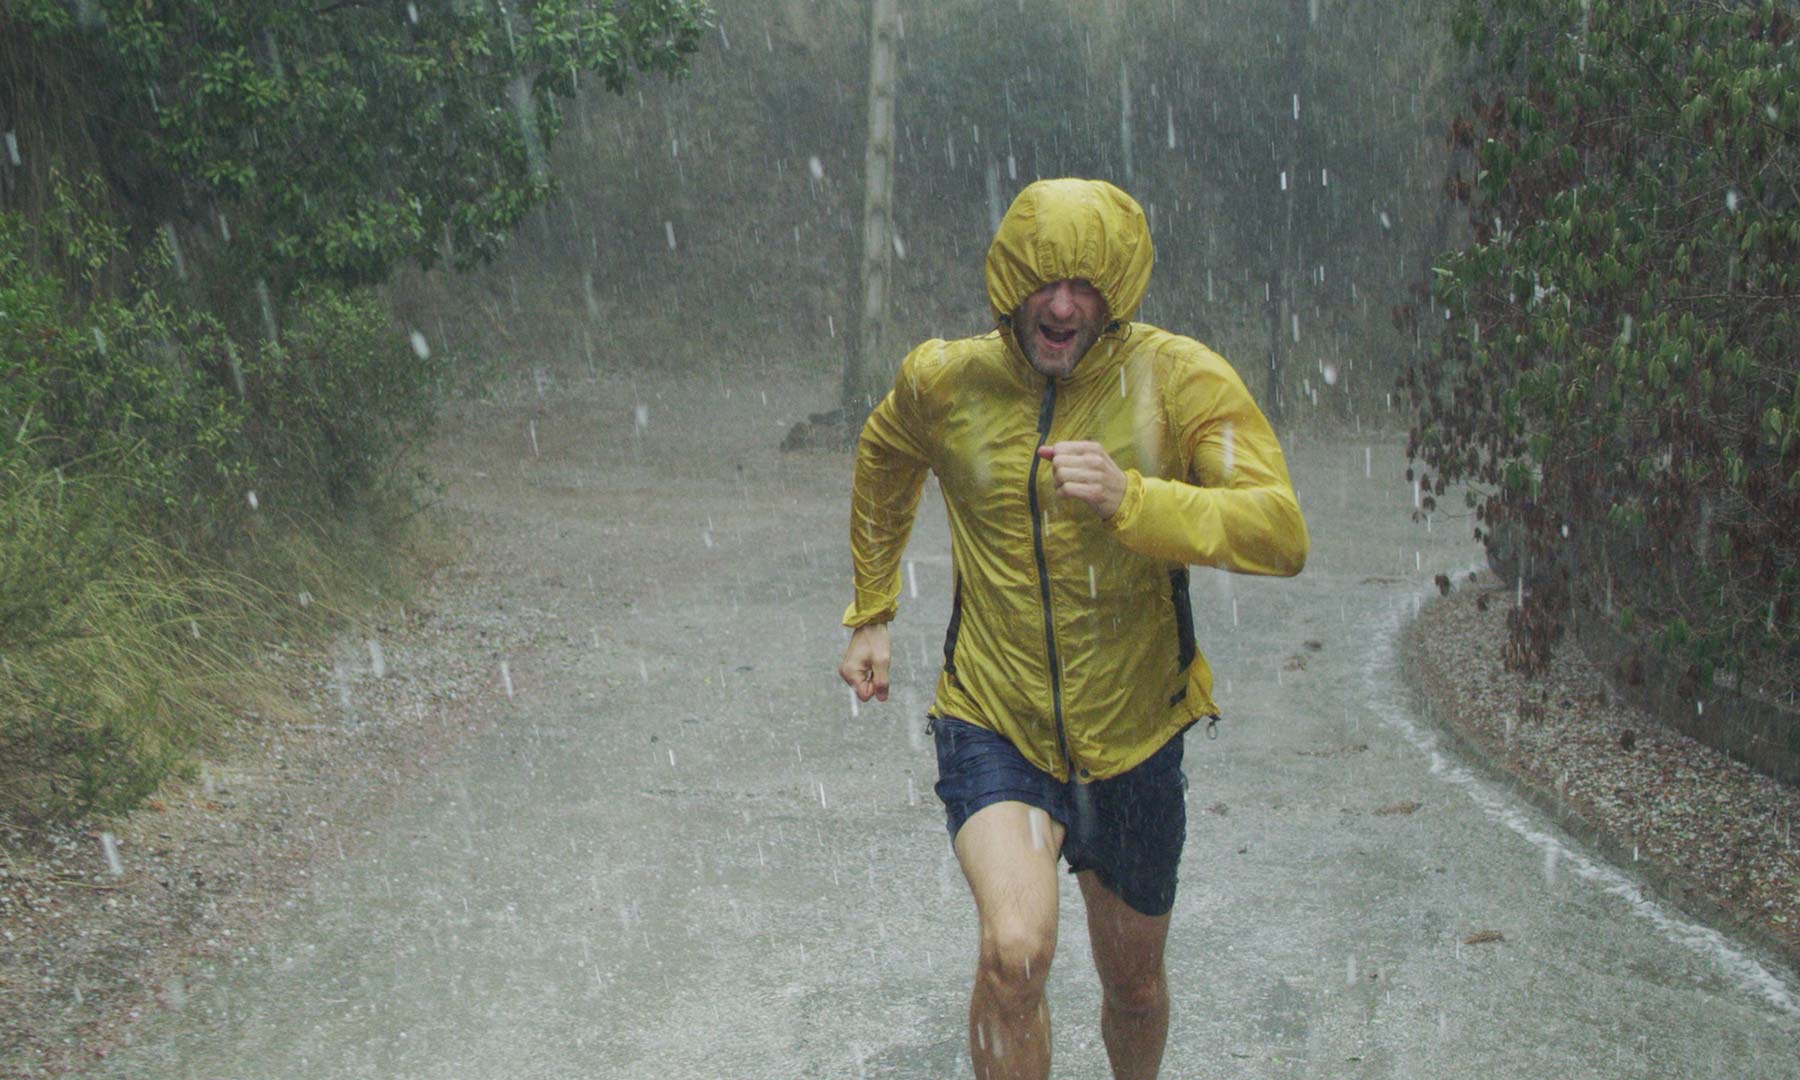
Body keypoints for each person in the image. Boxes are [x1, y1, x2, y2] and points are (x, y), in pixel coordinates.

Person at [836, 177, 1308, 1080]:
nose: (1062, 304)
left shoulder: (1175, 380)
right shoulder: (946, 380)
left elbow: (1280, 530)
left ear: (1119, 293)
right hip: (994, 717)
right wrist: (872, 610)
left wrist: (1135, 499)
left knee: (1133, 988)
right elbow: (884, 455)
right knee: (1014, 954)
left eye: (1086, 285)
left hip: (1135, 734)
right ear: (1010, 283)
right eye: (1045, 281)